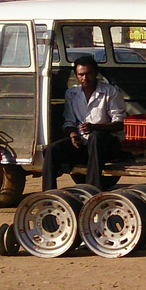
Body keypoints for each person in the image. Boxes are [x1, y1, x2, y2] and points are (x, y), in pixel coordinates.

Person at [41, 54, 126, 190]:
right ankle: (48, 194)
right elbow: (69, 121)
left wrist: (95, 127)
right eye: (81, 75)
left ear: (96, 73)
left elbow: (119, 124)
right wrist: (73, 135)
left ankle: (92, 190)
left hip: (107, 145)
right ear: (76, 75)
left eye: (88, 74)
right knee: (51, 150)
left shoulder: (110, 92)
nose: (84, 78)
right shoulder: (72, 93)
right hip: (84, 144)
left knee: (96, 136)